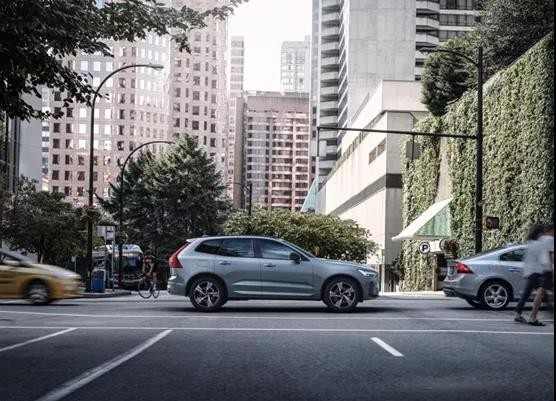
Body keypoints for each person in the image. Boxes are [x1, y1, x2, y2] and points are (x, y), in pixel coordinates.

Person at [514, 224, 554, 325]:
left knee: (529, 293)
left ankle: (519, 314)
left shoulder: (531, 243)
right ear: (539, 233)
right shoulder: (540, 244)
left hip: (529, 271)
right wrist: (548, 268)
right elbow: (545, 258)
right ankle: (534, 317)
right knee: (541, 292)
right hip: (538, 271)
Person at [527, 225, 554, 326]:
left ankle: (533, 316)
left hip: (540, 269)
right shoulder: (550, 239)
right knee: (541, 292)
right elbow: (551, 256)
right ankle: (533, 317)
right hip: (547, 269)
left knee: (541, 292)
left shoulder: (540, 239)